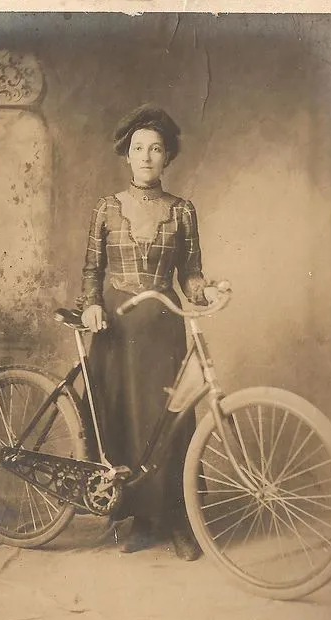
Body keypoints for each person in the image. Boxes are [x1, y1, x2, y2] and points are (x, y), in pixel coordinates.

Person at [78, 105, 217, 561]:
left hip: (162, 328)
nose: (146, 157)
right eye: (138, 148)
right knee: (127, 420)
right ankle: (139, 519)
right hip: (116, 331)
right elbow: (92, 272)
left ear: (168, 156)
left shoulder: (183, 211)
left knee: (171, 424)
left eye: (156, 148)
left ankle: (178, 521)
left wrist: (206, 288)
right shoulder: (105, 209)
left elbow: (191, 275)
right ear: (127, 155)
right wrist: (93, 305)